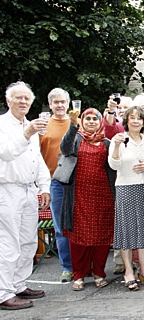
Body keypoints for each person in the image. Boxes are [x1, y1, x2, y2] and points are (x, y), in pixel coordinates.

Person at [0, 82, 50, 310]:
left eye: (26, 99)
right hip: (7, 188)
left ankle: (18, 284)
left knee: (29, 241)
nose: (23, 102)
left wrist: (45, 186)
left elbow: (37, 159)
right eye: (18, 98)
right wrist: (27, 133)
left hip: (28, 189)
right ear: (8, 101)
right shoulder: (2, 125)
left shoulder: (30, 125)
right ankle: (4, 293)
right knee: (9, 242)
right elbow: (7, 153)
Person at [60, 107, 116, 291]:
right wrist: (73, 126)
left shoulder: (106, 143)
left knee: (101, 238)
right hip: (78, 197)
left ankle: (99, 273)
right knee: (78, 238)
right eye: (88, 118)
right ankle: (79, 275)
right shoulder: (76, 139)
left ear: (100, 122)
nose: (91, 121)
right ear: (82, 121)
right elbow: (64, 148)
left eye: (95, 118)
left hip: (103, 197)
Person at [109, 106, 144, 291]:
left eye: (139, 118)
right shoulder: (119, 140)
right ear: (126, 121)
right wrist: (116, 146)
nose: (135, 121)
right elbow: (113, 164)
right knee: (127, 231)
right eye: (132, 118)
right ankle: (128, 271)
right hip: (126, 188)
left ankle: (143, 269)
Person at [39, 88, 74, 282]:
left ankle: (84, 265)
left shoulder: (77, 123)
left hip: (77, 183)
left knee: (81, 225)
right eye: (56, 102)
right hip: (55, 183)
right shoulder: (44, 126)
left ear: (68, 103)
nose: (60, 105)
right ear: (50, 104)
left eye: (63, 102)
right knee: (61, 228)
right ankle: (67, 267)